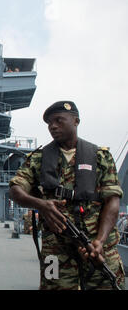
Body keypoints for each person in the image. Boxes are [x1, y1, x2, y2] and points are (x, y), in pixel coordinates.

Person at [9, 101, 125, 290]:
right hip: (55, 250)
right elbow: (15, 189)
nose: (53, 126)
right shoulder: (38, 159)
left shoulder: (100, 157)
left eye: (58, 120)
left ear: (76, 121)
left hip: (96, 247)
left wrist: (100, 241)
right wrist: (41, 204)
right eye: (49, 124)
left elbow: (112, 200)